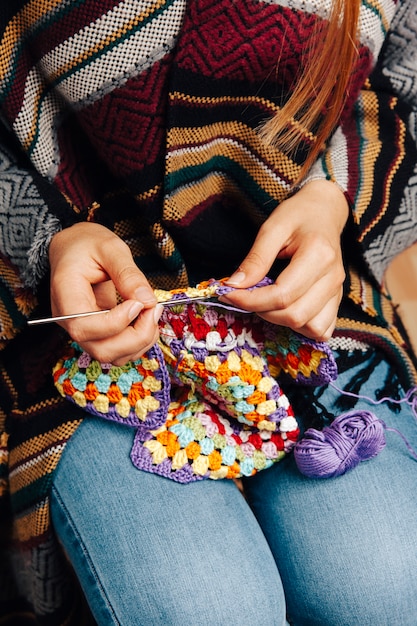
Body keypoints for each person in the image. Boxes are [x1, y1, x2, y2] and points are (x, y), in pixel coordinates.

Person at [0, 0, 417, 624]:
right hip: (88, 346)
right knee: (205, 606)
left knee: (379, 584)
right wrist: (47, 244)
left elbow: (404, 83)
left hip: (317, 329)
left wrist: (335, 198)